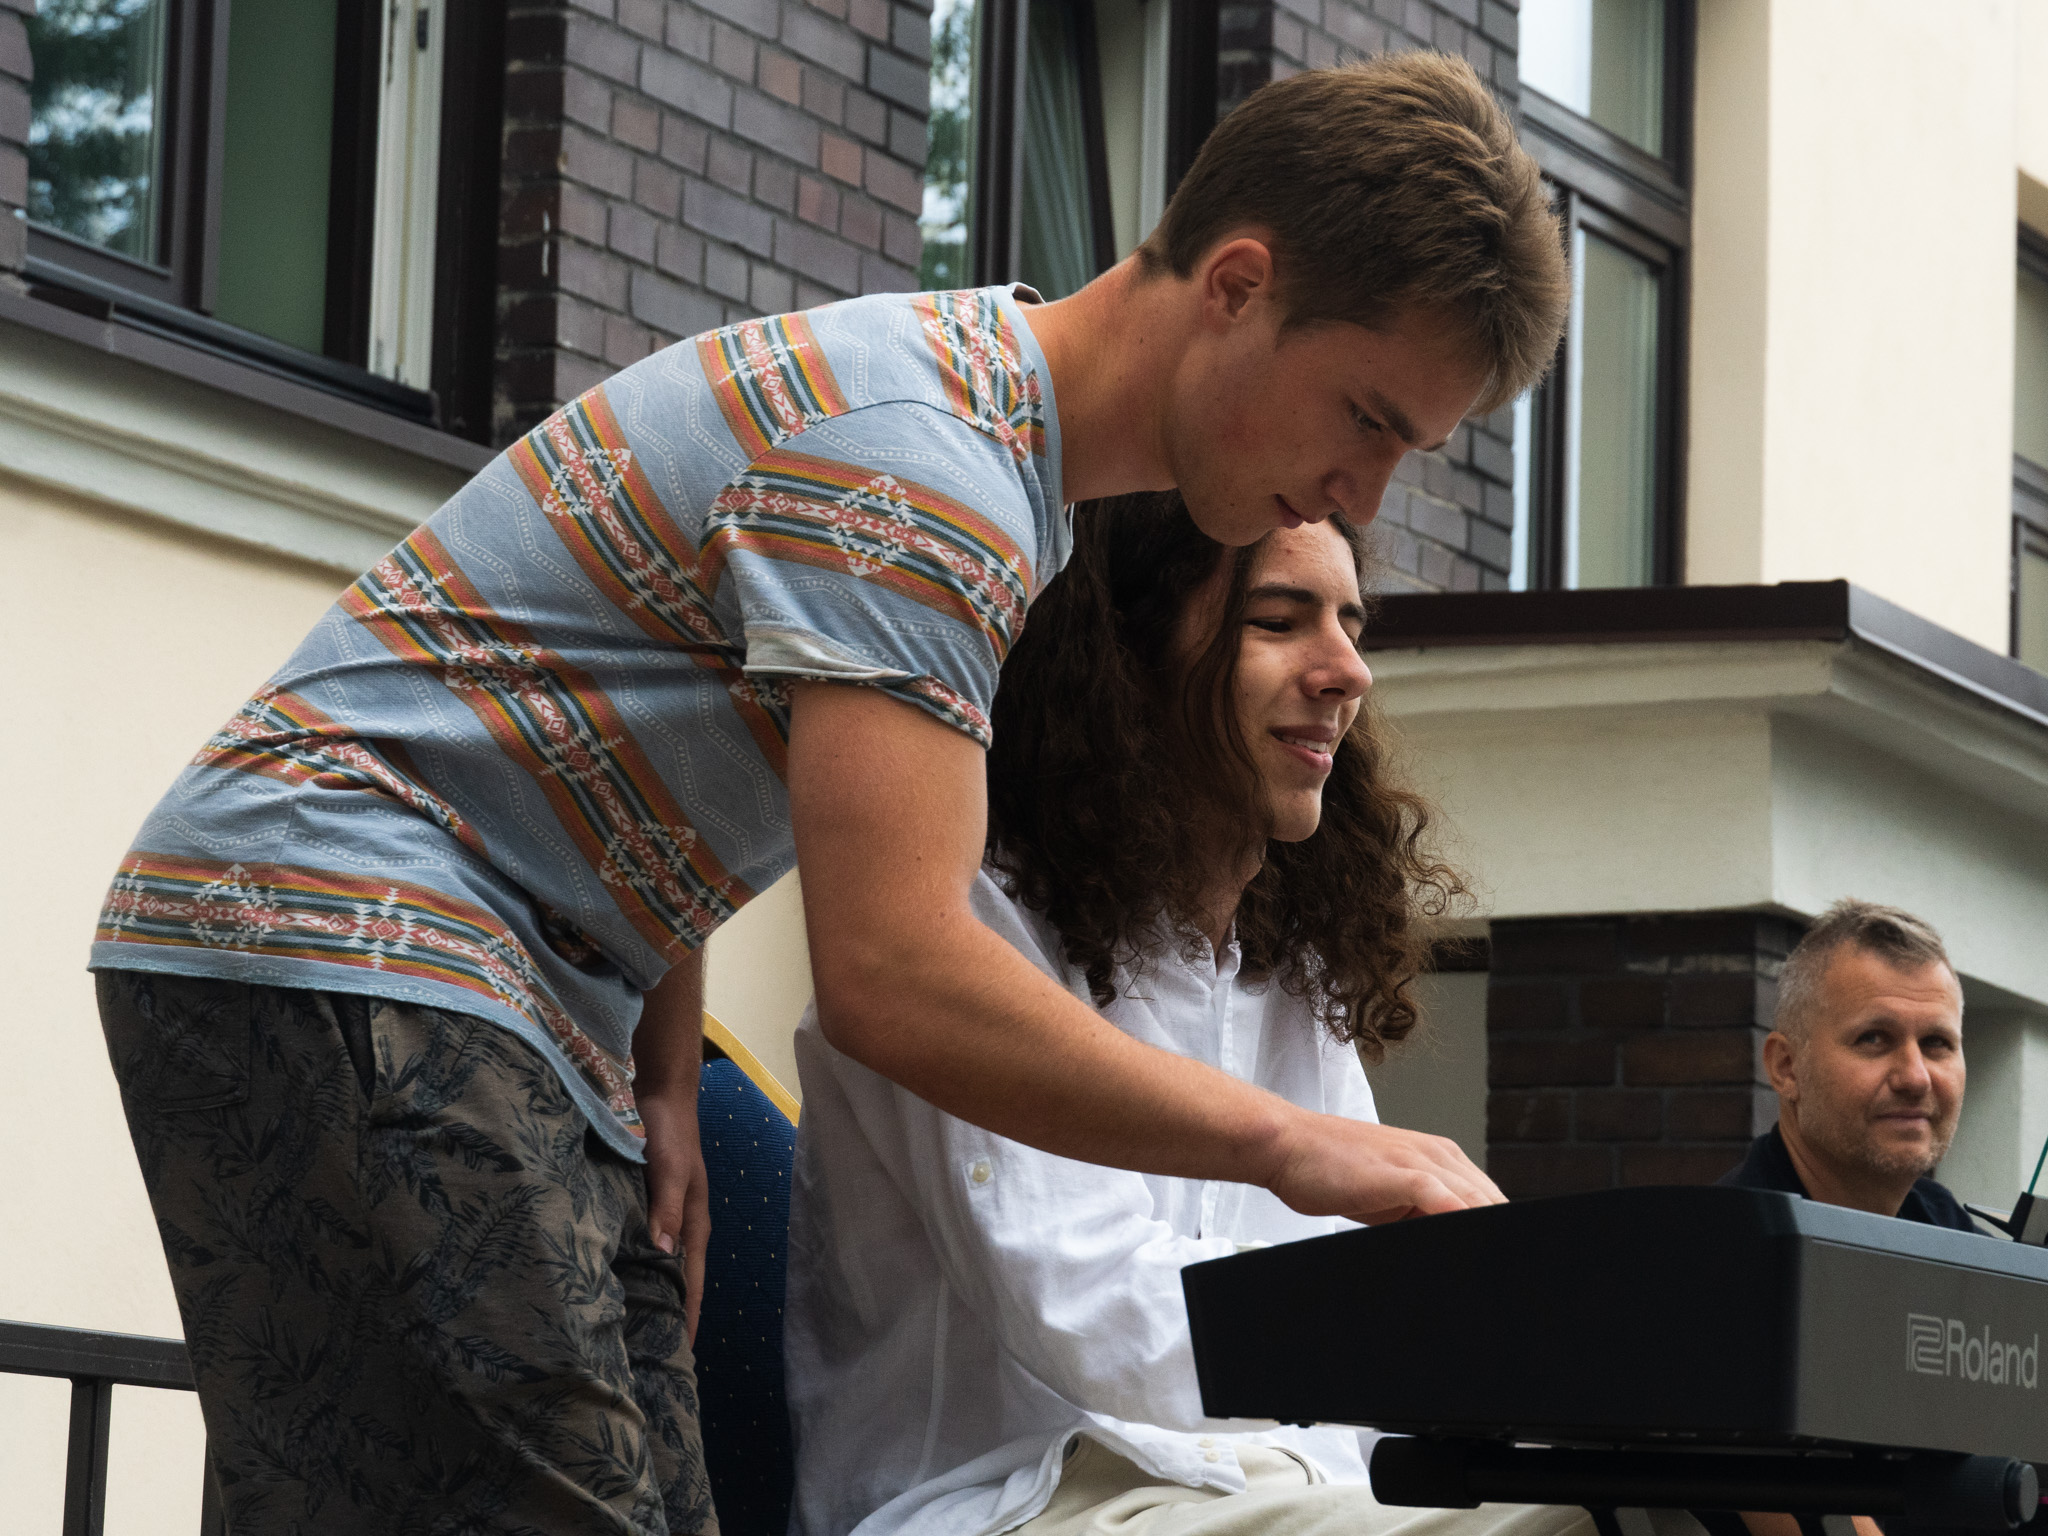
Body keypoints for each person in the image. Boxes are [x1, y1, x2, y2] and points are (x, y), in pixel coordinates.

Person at [89, 52, 1567, 1532]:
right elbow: (896, 975)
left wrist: (664, 1069)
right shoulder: (924, 476)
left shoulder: (971, 438)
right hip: (344, 927)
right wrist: (1296, 1148)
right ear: (1238, 286)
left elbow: (631, 703)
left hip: (469, 975)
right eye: (1366, 418)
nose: (1364, 493)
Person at [785, 494, 1588, 1536]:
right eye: (1277, 620)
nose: (1347, 671)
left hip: (1278, 1496)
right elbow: (1089, 1313)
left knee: (1656, 1511)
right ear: (1124, 657)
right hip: (1014, 1504)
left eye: (1350, 626)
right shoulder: (961, 928)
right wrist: (1441, 1330)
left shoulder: (1290, 977)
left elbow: (1361, 1372)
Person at [1718, 900, 1976, 1229]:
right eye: (1873, 1039)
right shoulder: (1718, 1246)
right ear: (1787, 1067)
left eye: (1936, 1043)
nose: (1915, 1078)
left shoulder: (1952, 1233)